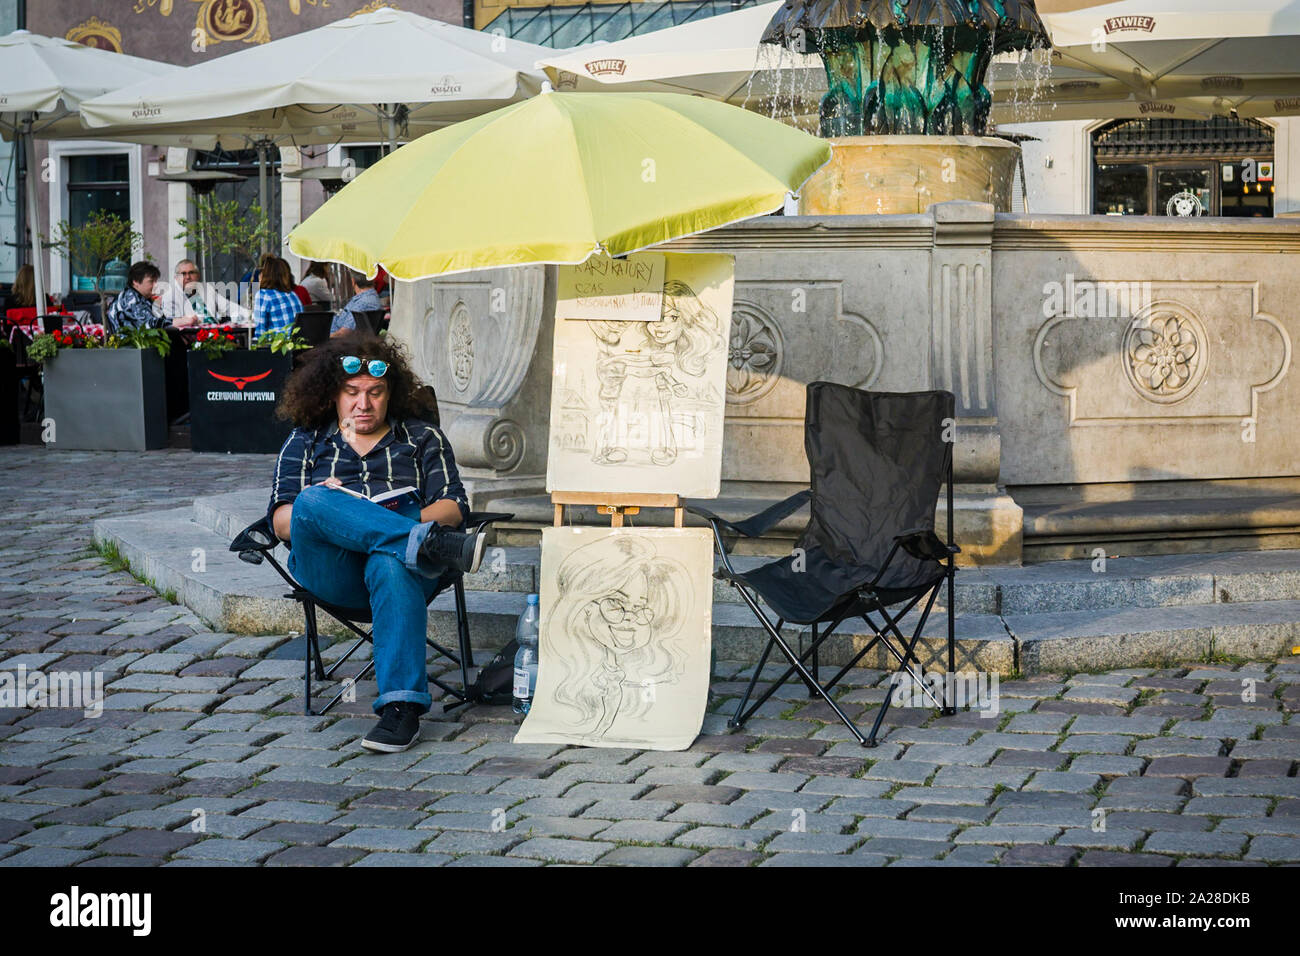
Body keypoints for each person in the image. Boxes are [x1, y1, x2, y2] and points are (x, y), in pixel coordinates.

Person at [267, 333, 487, 752]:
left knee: (389, 561)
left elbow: (454, 507)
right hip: (332, 571)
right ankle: (426, 542)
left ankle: (400, 711)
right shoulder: (307, 441)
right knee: (314, 499)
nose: (362, 405)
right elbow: (280, 521)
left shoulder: (423, 438)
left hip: (402, 575)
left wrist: (381, 526)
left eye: (375, 393)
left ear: (392, 394)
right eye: (351, 393)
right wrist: (338, 512)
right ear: (331, 394)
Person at [105, 261, 165, 333]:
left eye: (156, 281)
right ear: (135, 281)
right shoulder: (131, 299)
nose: (156, 285)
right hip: (132, 342)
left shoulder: (142, 297)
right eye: (151, 281)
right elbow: (152, 325)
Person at [252, 256, 303, 338]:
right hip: (296, 346)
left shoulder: (263, 295)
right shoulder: (293, 295)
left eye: (262, 271)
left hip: (277, 346)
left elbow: (260, 332)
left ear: (266, 274)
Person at [329, 270, 383, 337]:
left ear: (353, 281)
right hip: (339, 339)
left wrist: (323, 338)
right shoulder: (368, 298)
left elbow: (344, 333)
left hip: (337, 342)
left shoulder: (363, 302)